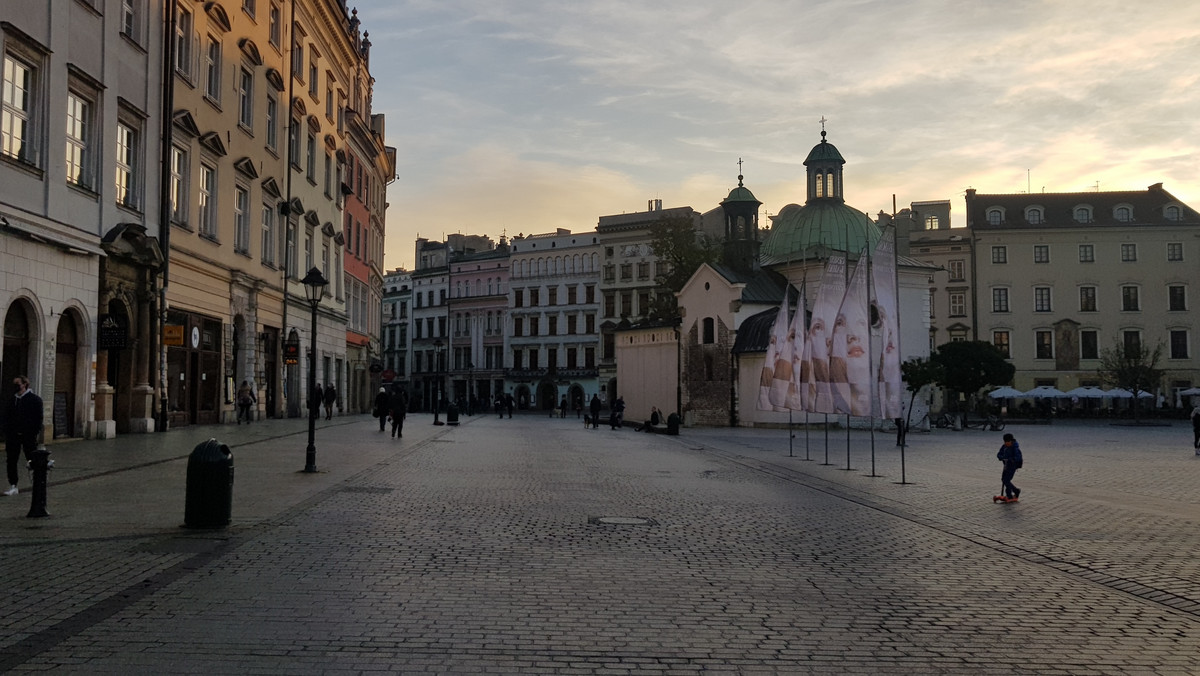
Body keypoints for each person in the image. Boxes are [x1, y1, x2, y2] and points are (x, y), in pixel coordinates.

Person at [4, 376, 43, 497]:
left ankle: (38, 482)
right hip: (13, 435)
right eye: (14, 384)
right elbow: (6, 416)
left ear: (25, 384)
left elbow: (38, 418)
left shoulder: (34, 400)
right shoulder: (12, 400)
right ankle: (13, 485)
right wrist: (7, 431)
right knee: (11, 460)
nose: (15, 386)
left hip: (28, 435)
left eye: (18, 383)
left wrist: (33, 432)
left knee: (32, 459)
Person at [996, 433, 1023, 502]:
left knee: (1006, 480)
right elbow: (999, 453)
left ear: (1011, 441)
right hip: (1006, 465)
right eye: (1005, 442)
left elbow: (1018, 457)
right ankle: (1015, 491)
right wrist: (1001, 457)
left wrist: (1012, 459)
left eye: (1008, 442)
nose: (1006, 443)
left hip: (1012, 466)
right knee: (1003, 479)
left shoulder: (1015, 448)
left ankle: (1010, 495)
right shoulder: (1004, 446)